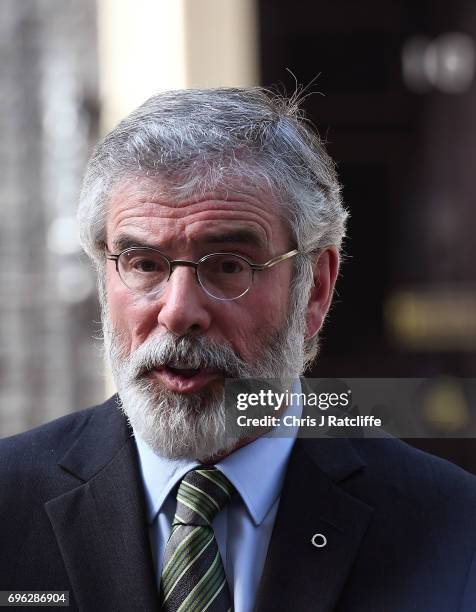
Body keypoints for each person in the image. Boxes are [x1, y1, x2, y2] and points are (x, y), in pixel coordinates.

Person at [1, 87, 476, 612]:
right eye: (143, 264)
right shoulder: (9, 502)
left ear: (314, 288)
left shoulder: (450, 526)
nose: (178, 312)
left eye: (228, 265)